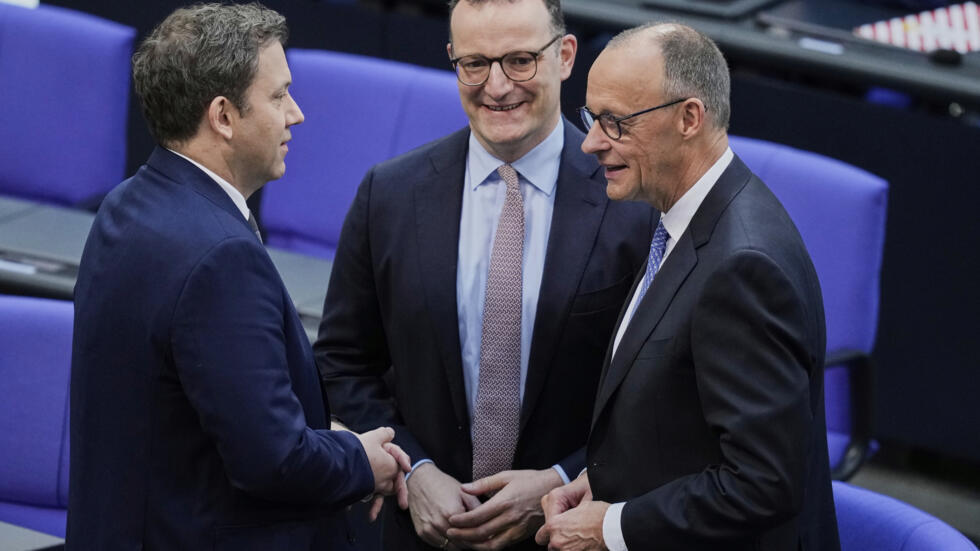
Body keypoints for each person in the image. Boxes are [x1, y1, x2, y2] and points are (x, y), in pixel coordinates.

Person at [313, 0, 652, 549]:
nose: (496, 86)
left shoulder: (636, 204)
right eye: (475, 64)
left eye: (520, 61)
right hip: (420, 532)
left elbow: (659, 398)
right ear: (453, 59)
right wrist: (413, 470)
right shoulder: (390, 194)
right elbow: (342, 364)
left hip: (573, 533)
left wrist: (563, 479)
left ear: (565, 56)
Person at [68, 4, 409, 549]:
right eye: (279, 96)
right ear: (223, 116)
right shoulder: (221, 258)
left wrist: (326, 438)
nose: (296, 114)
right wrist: (362, 462)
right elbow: (274, 460)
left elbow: (208, 409)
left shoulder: (126, 204)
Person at [535, 23, 840, 551]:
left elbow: (762, 483)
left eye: (615, 122)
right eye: (591, 118)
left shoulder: (743, 269)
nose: (590, 142)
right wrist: (606, 480)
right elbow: (681, 418)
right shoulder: (681, 219)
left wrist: (612, 527)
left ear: (689, 119)